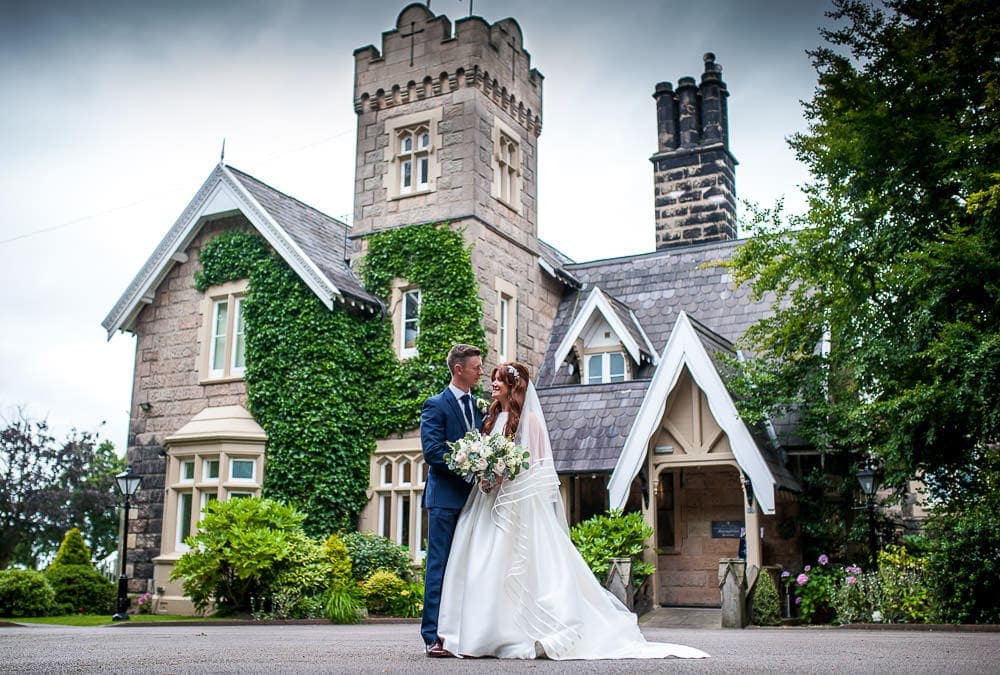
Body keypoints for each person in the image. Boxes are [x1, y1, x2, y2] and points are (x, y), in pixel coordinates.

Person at [436, 361, 709, 660]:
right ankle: (479, 633)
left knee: (519, 566)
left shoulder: (532, 423)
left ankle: (521, 632)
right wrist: (486, 473)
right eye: (492, 379)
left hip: (517, 506)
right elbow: (488, 462)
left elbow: (540, 470)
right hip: (487, 502)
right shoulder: (491, 421)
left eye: (499, 380)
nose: (493, 385)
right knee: (481, 565)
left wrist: (506, 475)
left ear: (513, 386)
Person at [419, 344, 485, 657]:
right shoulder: (435, 405)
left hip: (475, 501)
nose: (481, 372)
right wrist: (472, 466)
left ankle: (462, 633)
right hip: (445, 499)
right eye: (476, 367)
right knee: (439, 566)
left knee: (469, 567)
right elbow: (433, 452)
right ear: (459, 369)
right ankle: (432, 637)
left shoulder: (480, 406)